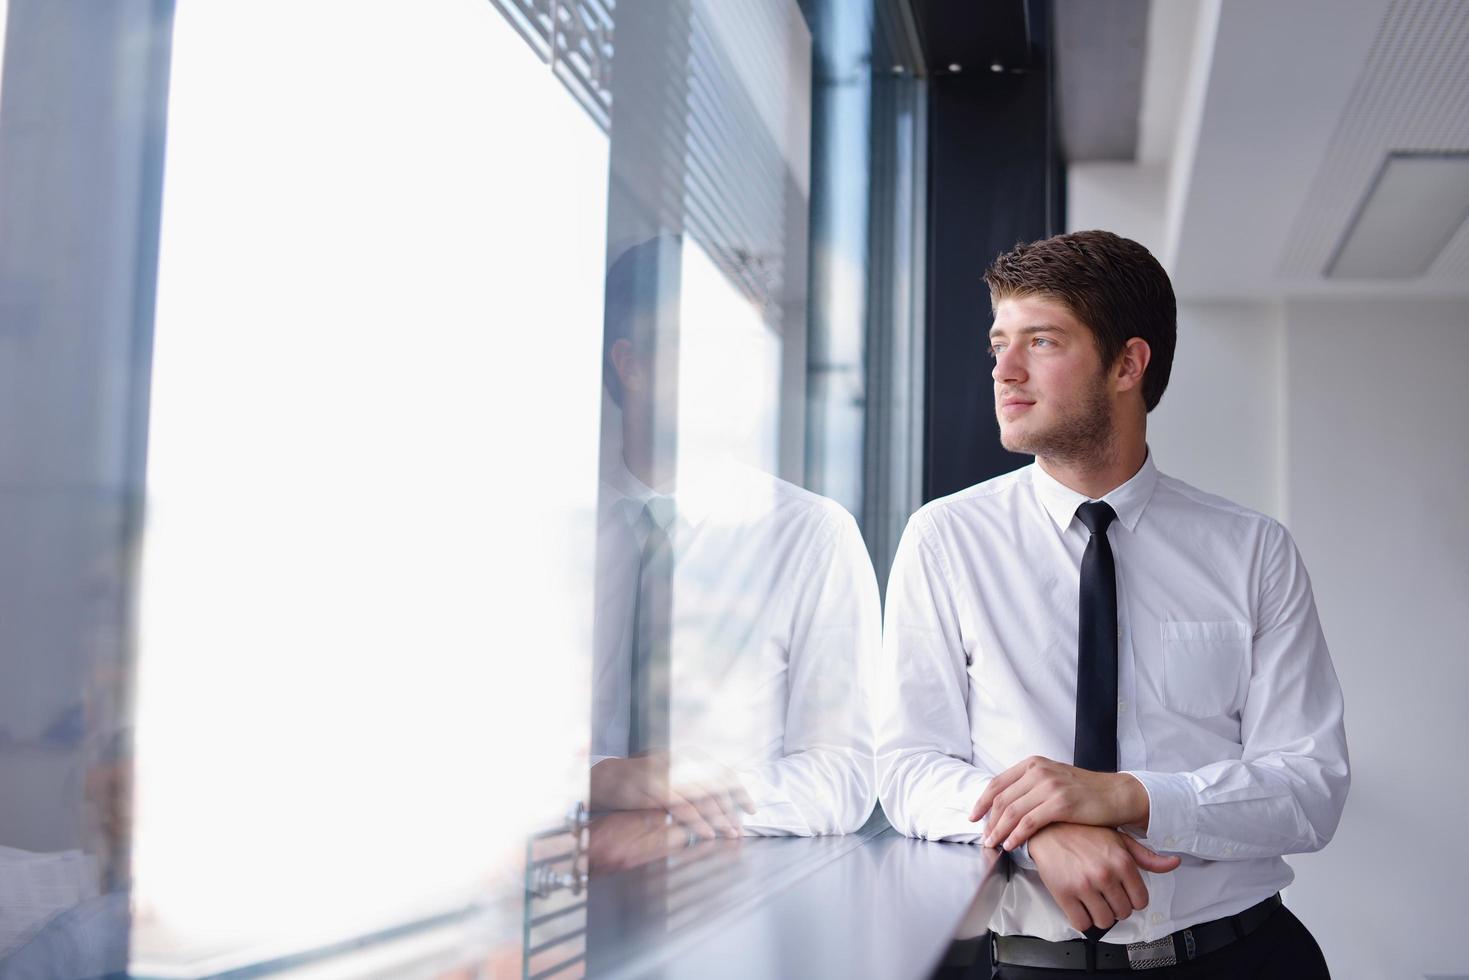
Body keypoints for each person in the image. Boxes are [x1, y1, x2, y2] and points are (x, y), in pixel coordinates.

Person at [877, 230, 1348, 977]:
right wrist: (1040, 831)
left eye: (1041, 341)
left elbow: (1307, 788)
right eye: (998, 342)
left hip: (1241, 956)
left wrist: (1125, 798)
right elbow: (907, 766)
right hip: (1031, 964)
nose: (1003, 370)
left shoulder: (1252, 549)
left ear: (1127, 363)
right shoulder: (945, 539)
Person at [587, 237, 879, 849]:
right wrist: (593, 784)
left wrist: (674, 810)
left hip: (736, 895)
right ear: (631, 364)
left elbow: (845, 773)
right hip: (550, 890)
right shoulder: (554, 538)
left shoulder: (812, 537)